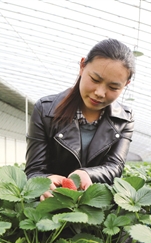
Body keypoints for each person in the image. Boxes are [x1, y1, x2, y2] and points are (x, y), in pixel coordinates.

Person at [25, 38, 136, 201]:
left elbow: (115, 167)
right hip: (52, 203)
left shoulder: (124, 119)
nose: (100, 92)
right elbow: (34, 170)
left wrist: (86, 174)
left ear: (126, 84)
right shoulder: (45, 110)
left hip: (97, 205)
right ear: (82, 66)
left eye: (113, 87)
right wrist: (44, 182)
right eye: (95, 79)